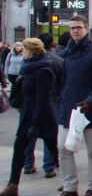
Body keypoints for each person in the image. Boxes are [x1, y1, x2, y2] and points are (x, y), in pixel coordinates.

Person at [53, 16, 92, 196]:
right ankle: (69, 188)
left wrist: (91, 101)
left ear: (86, 29)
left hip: (89, 108)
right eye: (72, 28)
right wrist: (62, 96)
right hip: (68, 107)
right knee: (63, 147)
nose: (75, 31)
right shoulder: (66, 51)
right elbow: (63, 78)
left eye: (78, 27)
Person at [0, 39, 60, 196]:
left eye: (24, 49)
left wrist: (36, 124)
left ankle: (70, 182)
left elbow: (42, 99)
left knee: (55, 151)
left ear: (30, 50)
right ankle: (13, 185)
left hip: (42, 114)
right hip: (28, 111)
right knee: (19, 146)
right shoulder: (28, 67)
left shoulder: (42, 70)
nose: (22, 51)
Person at [22, 33, 64, 178]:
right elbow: (62, 83)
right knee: (49, 134)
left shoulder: (28, 63)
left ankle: (28, 163)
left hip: (34, 103)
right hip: (52, 101)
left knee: (30, 133)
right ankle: (49, 165)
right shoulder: (57, 60)